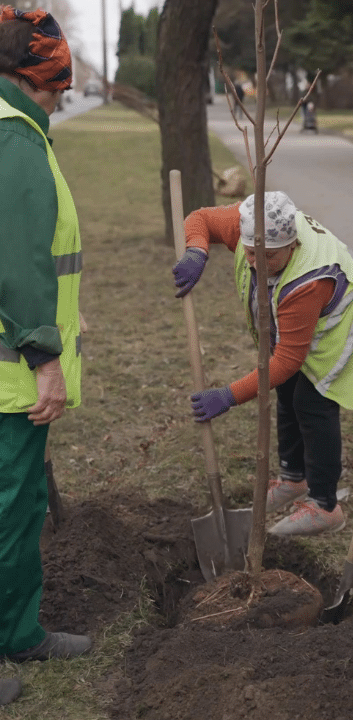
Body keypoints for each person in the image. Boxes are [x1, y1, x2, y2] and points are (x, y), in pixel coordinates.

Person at [171, 191, 353, 536]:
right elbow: (199, 218)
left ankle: (325, 506)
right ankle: (293, 480)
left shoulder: (308, 281)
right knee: (288, 392)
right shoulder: (251, 223)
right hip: (306, 315)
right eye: (251, 253)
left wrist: (228, 396)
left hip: (348, 316)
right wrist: (196, 251)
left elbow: (288, 360)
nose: (258, 263)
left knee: (313, 400)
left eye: (270, 258)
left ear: (293, 246)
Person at [0, 5, 92, 681]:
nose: (63, 98)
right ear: (35, 80)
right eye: (58, 87)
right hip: (11, 379)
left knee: (21, 503)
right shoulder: (17, 144)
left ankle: (20, 632)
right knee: (8, 510)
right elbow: (20, 265)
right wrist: (47, 360)